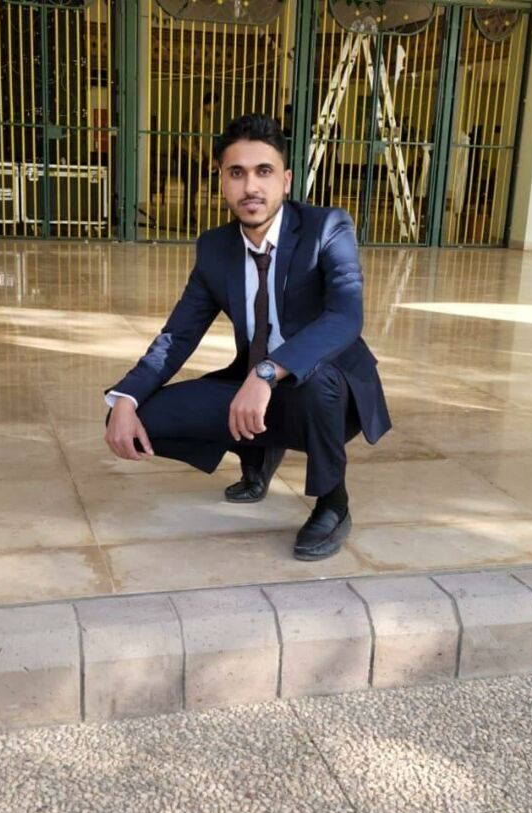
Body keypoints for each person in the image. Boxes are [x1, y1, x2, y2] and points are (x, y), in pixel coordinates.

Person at [104, 113, 391, 561]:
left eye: (264, 171)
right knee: (132, 420)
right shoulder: (215, 248)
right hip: (257, 390)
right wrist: (126, 397)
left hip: (329, 392)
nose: (251, 187)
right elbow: (177, 336)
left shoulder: (327, 227)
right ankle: (257, 449)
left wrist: (267, 372)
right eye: (236, 173)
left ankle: (333, 502)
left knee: (314, 381)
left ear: (286, 180)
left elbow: (345, 317)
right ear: (221, 181)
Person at [176, 91, 219, 230]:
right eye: (215, 106)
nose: (214, 109)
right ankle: (190, 218)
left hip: (184, 152)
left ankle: (189, 217)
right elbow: (203, 139)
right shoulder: (201, 115)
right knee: (192, 187)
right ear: (211, 104)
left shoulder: (194, 112)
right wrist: (210, 158)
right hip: (189, 154)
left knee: (191, 186)